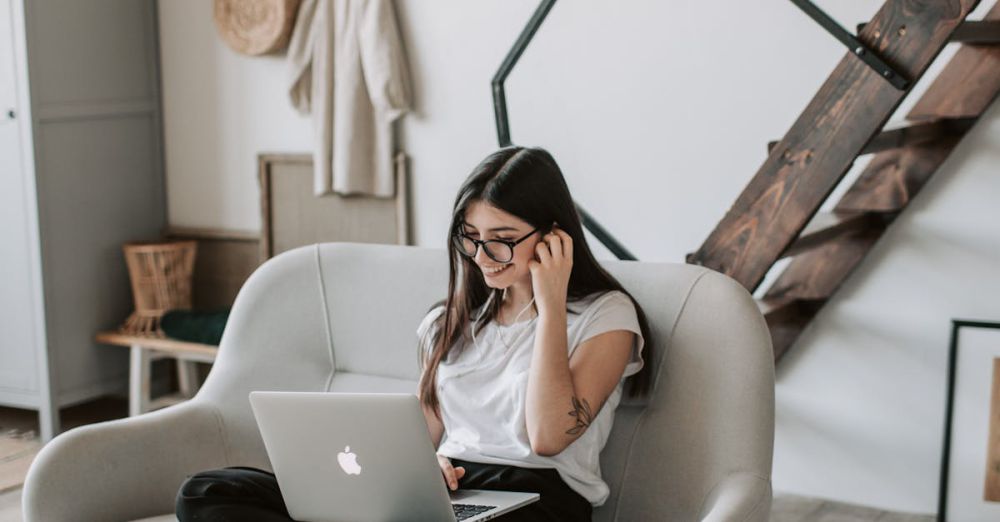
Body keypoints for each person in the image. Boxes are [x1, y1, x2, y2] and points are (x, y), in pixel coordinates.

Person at [174, 146, 653, 521]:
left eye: (503, 242)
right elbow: (420, 436)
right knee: (206, 493)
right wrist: (419, 472)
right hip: (450, 493)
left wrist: (550, 305)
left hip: (539, 502)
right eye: (471, 237)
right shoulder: (448, 323)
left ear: (554, 236)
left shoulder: (605, 317)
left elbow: (548, 437)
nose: (482, 257)